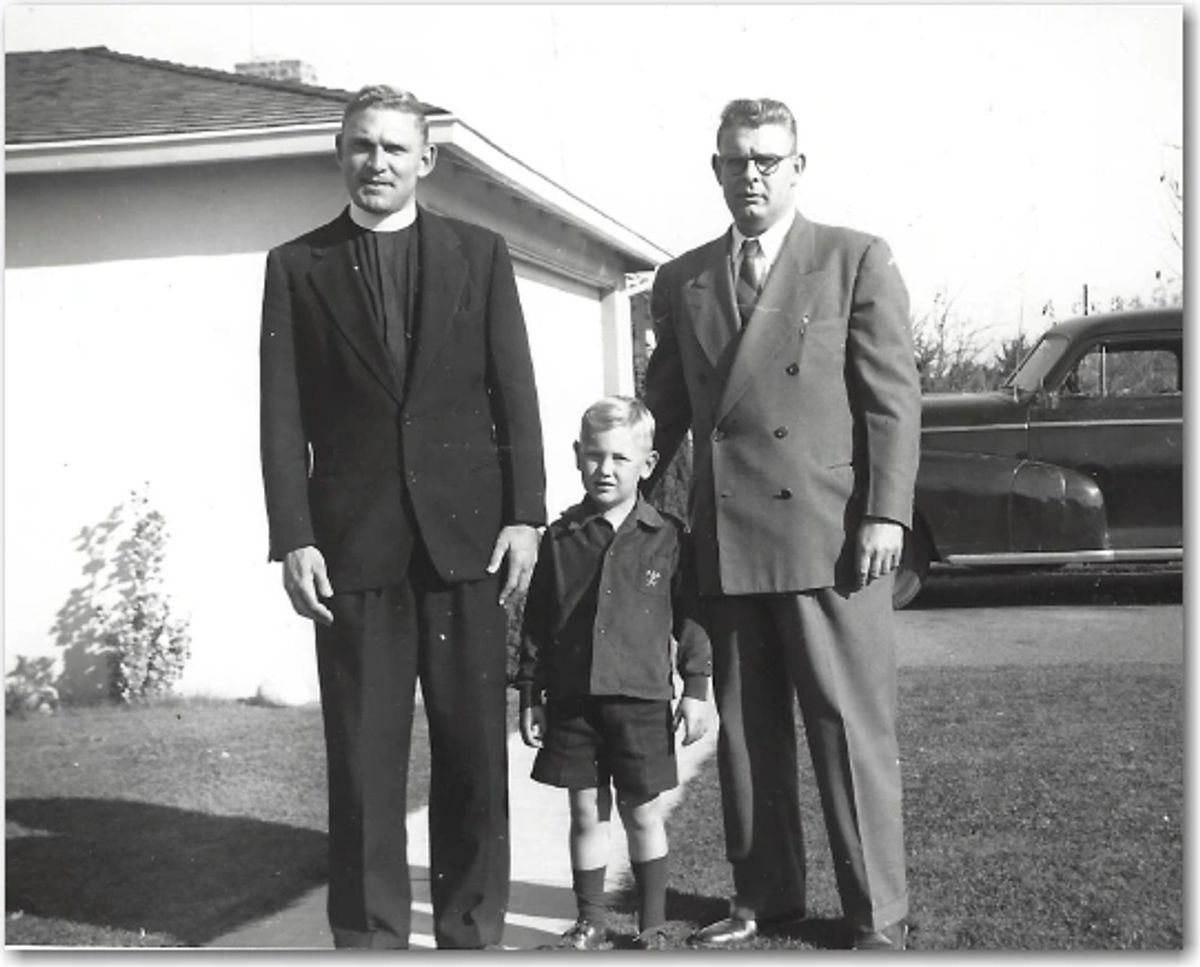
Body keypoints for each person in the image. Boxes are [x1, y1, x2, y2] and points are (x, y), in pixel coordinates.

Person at [259, 85, 546, 949]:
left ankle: (471, 934)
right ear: (339, 154)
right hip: (354, 549)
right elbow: (281, 417)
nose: (376, 162)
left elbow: (515, 391)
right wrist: (294, 536)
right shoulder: (296, 266)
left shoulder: (480, 254)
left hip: (466, 544)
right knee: (362, 762)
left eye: (393, 147)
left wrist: (525, 515)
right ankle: (370, 940)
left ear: (427, 159)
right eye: (361, 145)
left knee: (474, 759)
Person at [642, 97, 921, 950]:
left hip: (830, 539)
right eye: (736, 160)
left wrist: (886, 512)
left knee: (848, 732)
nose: (752, 175)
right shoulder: (681, 279)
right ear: (716, 169)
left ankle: (877, 914)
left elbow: (893, 402)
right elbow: (666, 413)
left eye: (768, 159)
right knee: (747, 737)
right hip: (729, 539)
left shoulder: (853, 258)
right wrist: (638, 512)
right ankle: (766, 897)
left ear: (799, 167)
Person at [515, 397, 713, 951]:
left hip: (641, 701)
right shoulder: (560, 538)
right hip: (574, 702)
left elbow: (692, 620)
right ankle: (591, 922)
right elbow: (538, 623)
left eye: (620, 458)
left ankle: (652, 926)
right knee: (585, 812)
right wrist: (530, 692)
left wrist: (696, 688)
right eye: (594, 455)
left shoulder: (668, 537)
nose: (605, 469)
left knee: (642, 812)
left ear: (647, 465)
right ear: (577, 455)